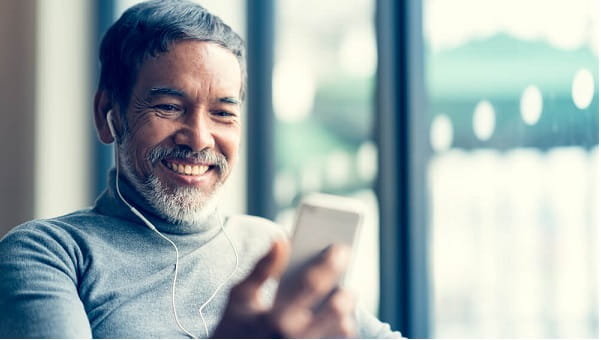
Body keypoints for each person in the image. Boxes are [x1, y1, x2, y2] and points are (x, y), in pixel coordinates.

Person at [0, 0, 400, 338]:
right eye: (170, 108)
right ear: (109, 114)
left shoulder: (272, 247)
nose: (199, 139)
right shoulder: (48, 253)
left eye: (223, 113)